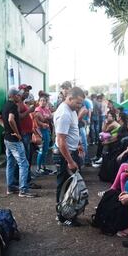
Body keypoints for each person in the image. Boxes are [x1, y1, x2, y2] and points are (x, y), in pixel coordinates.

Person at [53, 86, 85, 226]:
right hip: (64, 155)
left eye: (81, 103)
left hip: (71, 152)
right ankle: (63, 217)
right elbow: (61, 141)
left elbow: (72, 131)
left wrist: (78, 143)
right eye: (77, 103)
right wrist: (70, 161)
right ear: (69, 98)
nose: (79, 106)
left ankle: (69, 213)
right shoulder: (64, 113)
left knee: (72, 186)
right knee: (65, 187)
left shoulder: (71, 110)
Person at [0, 88, 38, 198]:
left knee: (11, 163)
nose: (19, 96)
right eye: (18, 95)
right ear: (14, 96)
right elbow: (11, 119)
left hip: (7, 138)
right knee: (24, 164)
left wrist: (6, 128)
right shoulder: (12, 106)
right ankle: (23, 190)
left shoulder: (6, 105)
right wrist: (17, 133)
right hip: (14, 140)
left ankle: (10, 187)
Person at [15, 84, 41, 189]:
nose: (27, 92)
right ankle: (24, 182)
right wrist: (29, 111)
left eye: (28, 91)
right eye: (25, 90)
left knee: (28, 158)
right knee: (24, 159)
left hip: (27, 134)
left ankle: (25, 180)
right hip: (23, 134)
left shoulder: (22, 103)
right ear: (19, 91)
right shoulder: (17, 103)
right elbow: (18, 117)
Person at [34, 95, 53, 175]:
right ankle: (38, 168)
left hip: (46, 130)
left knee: (45, 150)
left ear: (46, 102)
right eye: (41, 100)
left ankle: (43, 166)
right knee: (41, 150)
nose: (42, 102)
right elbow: (41, 119)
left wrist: (47, 118)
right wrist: (46, 119)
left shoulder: (47, 109)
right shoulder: (37, 110)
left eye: (44, 101)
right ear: (38, 102)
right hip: (40, 131)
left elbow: (51, 117)